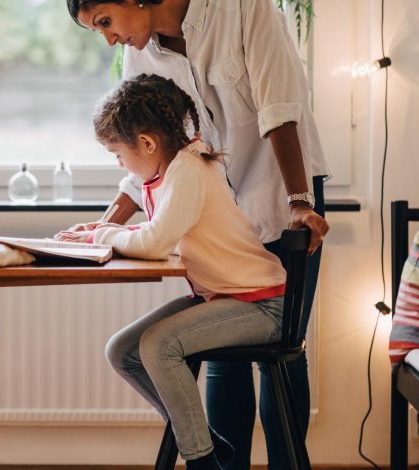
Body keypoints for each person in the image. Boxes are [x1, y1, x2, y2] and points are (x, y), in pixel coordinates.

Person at [63, 1, 330, 468]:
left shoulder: (242, 8)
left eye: (105, 21)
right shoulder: (139, 48)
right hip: (213, 198)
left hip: (284, 188)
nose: (108, 38)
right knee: (223, 358)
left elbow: (279, 108)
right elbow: (143, 152)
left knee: (281, 358)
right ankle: (227, 463)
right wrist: (105, 226)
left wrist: (300, 202)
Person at [69, 72, 289, 470]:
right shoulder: (172, 173)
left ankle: (201, 458)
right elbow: (160, 232)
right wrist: (106, 232)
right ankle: (205, 440)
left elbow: (155, 242)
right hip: (223, 297)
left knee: (158, 345)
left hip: (260, 306)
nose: (119, 162)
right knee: (123, 351)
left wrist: (105, 235)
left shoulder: (188, 170)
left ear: (148, 143)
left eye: (117, 153)